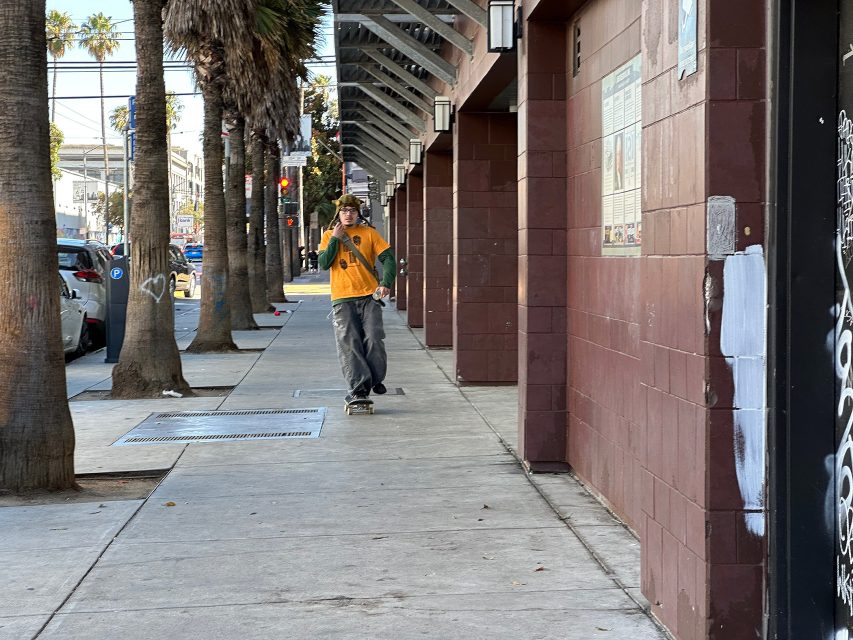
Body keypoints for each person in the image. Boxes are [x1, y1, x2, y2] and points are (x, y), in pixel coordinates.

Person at [318, 194, 396, 404]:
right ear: (339, 214)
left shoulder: (369, 233)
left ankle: (375, 378)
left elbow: (388, 258)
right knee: (349, 343)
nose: (348, 214)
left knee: (373, 338)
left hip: (370, 296)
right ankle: (359, 388)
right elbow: (324, 263)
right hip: (342, 298)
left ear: (358, 213)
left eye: (352, 211)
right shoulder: (328, 236)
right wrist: (335, 237)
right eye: (344, 211)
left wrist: (386, 282)